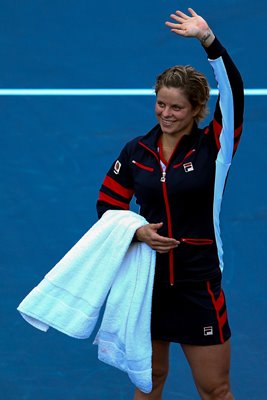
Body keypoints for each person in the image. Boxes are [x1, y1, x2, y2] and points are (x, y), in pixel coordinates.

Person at [96, 7, 244, 400]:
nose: (166, 113)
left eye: (176, 107)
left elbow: (234, 95)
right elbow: (108, 203)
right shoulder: (137, 151)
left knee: (215, 389)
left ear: (197, 110)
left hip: (198, 283)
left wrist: (209, 41)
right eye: (160, 104)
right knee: (150, 381)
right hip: (148, 283)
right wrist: (137, 231)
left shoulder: (215, 147)